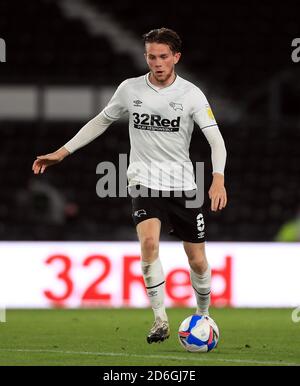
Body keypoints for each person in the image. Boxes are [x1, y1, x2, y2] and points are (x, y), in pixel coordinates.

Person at [32, 28, 227, 344]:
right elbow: (101, 121)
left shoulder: (192, 94)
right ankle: (160, 319)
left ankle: (203, 315)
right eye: (152, 56)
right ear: (146, 56)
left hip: (183, 187)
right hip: (143, 181)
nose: (157, 63)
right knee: (149, 245)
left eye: (164, 56)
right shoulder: (130, 89)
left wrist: (217, 179)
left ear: (176, 57)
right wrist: (62, 152)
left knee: (198, 260)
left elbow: (216, 140)